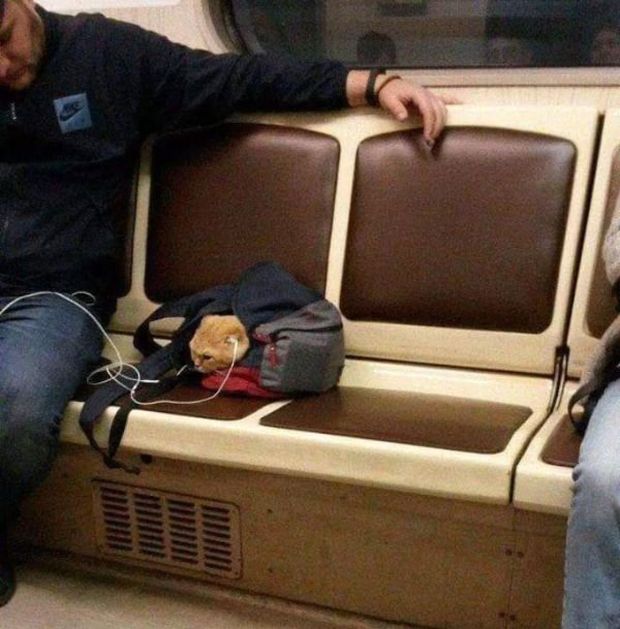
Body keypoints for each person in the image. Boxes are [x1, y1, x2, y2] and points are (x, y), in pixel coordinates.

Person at [0, 0, 455, 606]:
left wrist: (372, 82)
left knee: (17, 407)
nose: (1, 67)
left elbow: (237, 79)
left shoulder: (106, 55)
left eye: (4, 38)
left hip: (52, 292)